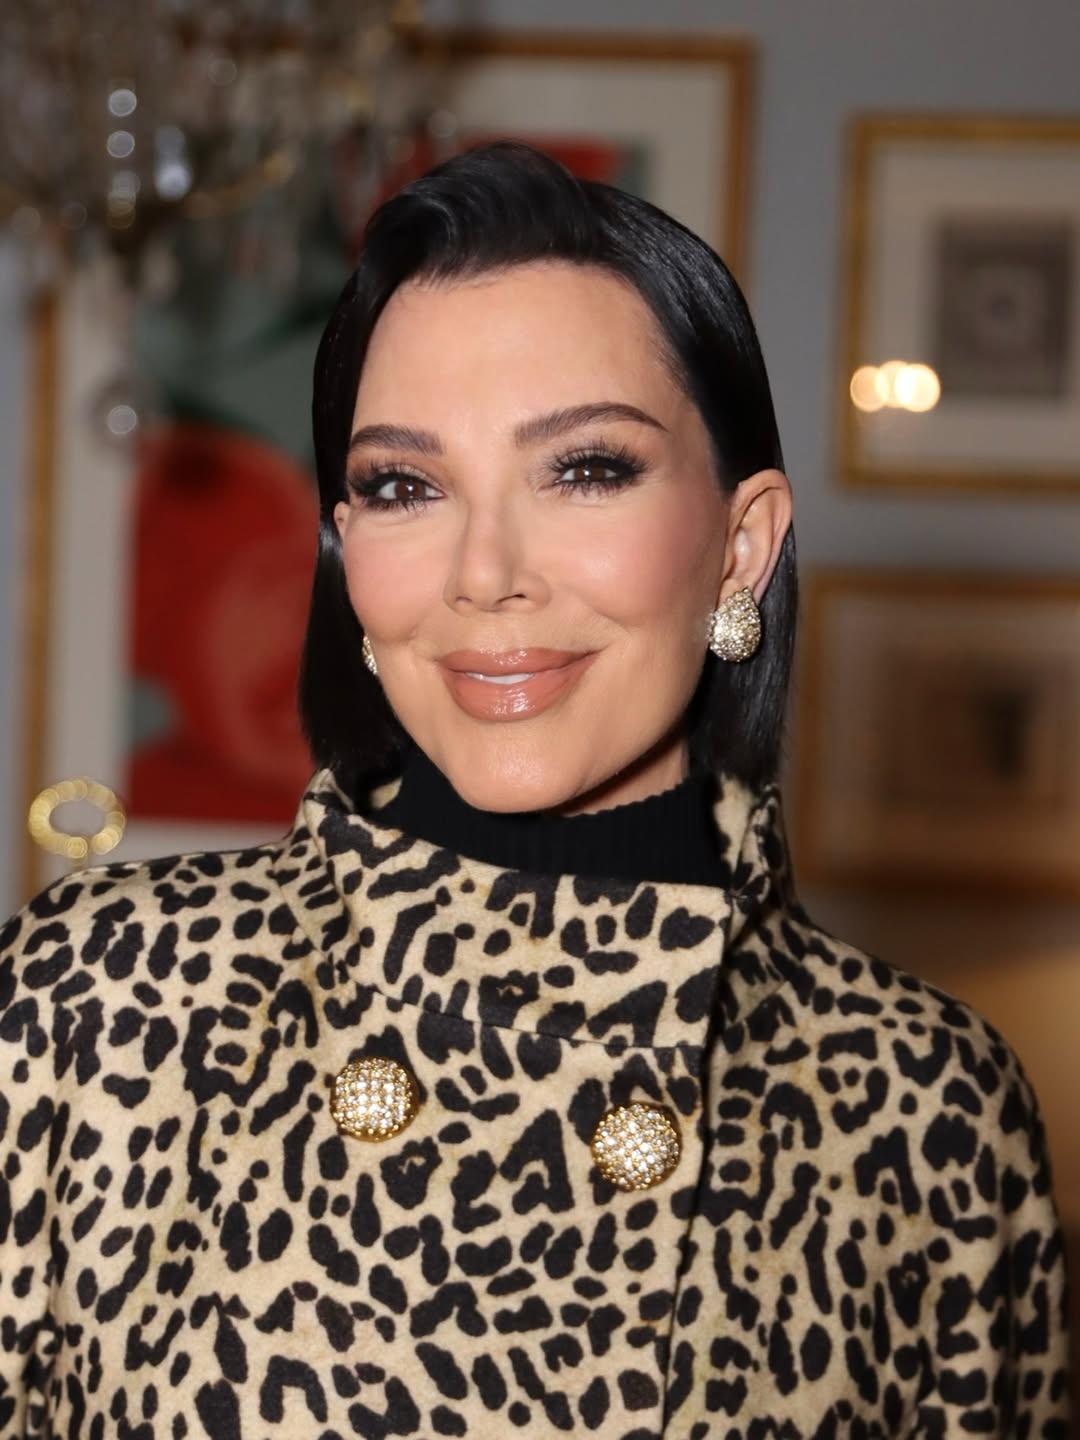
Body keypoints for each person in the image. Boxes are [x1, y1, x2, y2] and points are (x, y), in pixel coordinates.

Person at [0, 143, 1068, 1439]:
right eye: (405, 486)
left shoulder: (925, 1105)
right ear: (348, 553)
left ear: (741, 545)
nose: (484, 571)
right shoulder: (102, 999)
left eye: (585, 468)